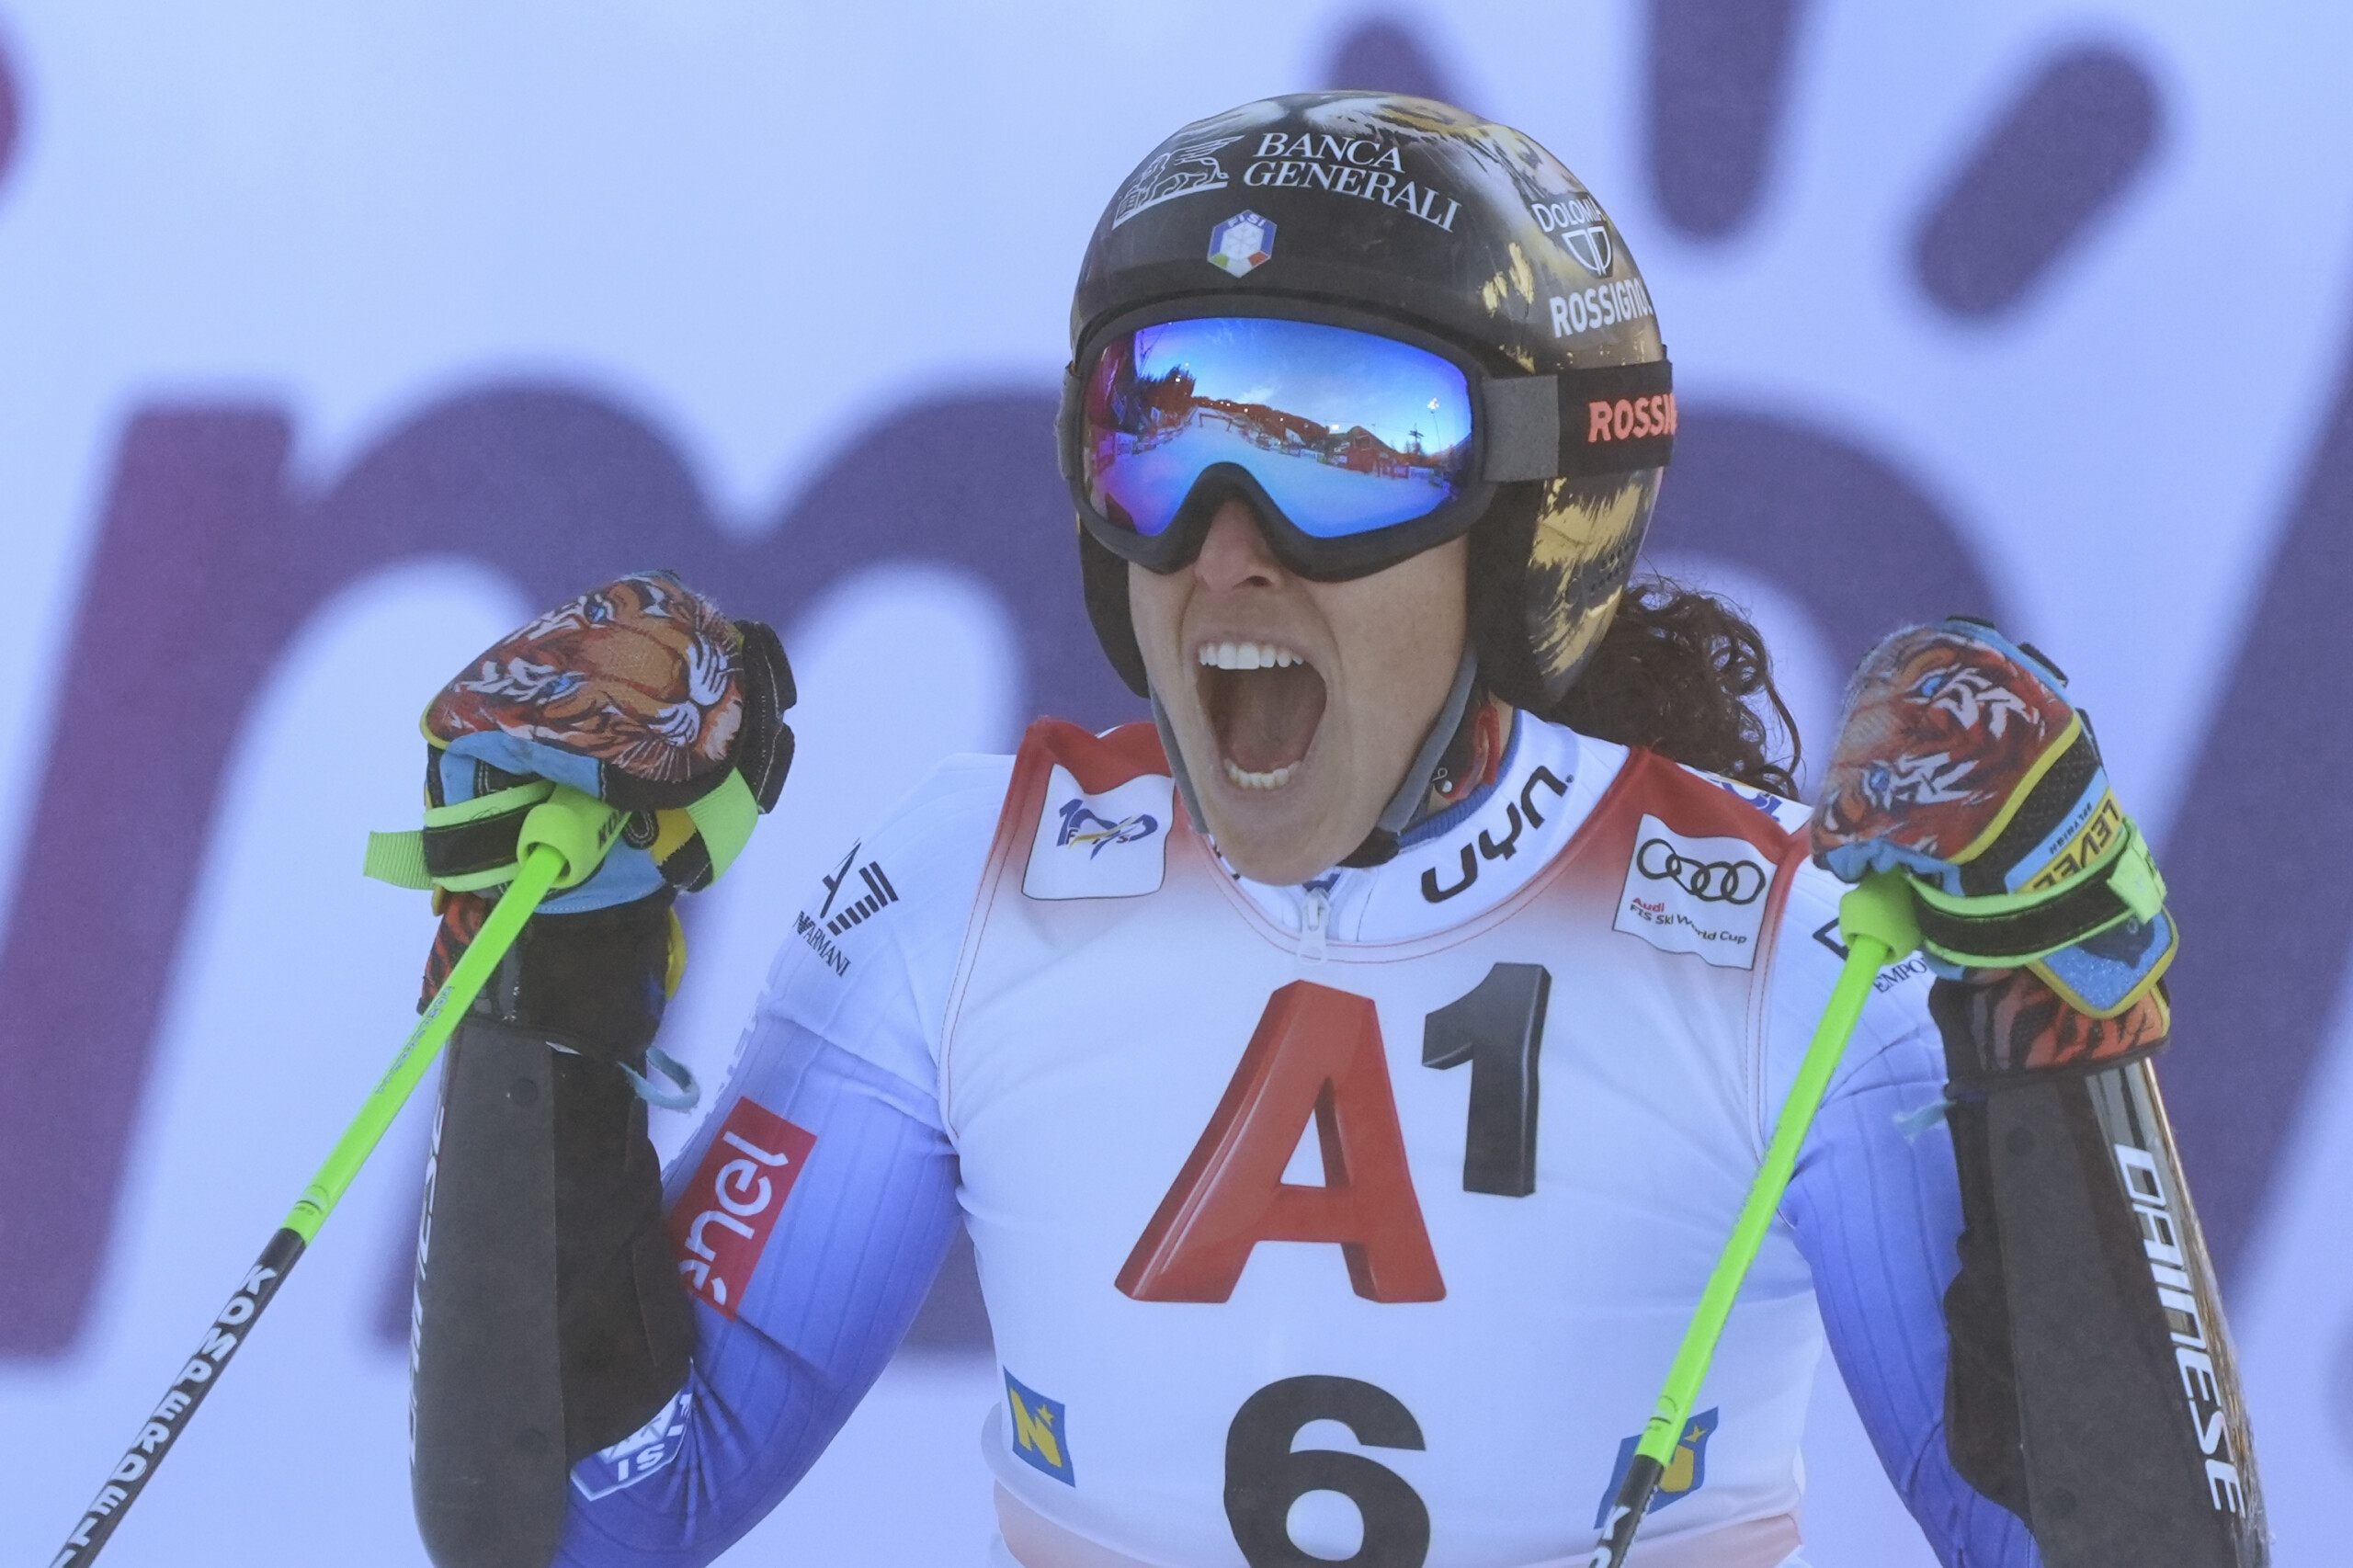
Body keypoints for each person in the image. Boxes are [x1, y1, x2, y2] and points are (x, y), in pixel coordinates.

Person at [401, 93, 2264, 1568]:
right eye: (1159, 428)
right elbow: (579, 1519)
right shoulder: (967, 884)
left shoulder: (1774, 938)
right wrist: (540, 1006)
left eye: (1342, 443)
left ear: (1535, 526)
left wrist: (2051, 1035)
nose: (1228, 538)